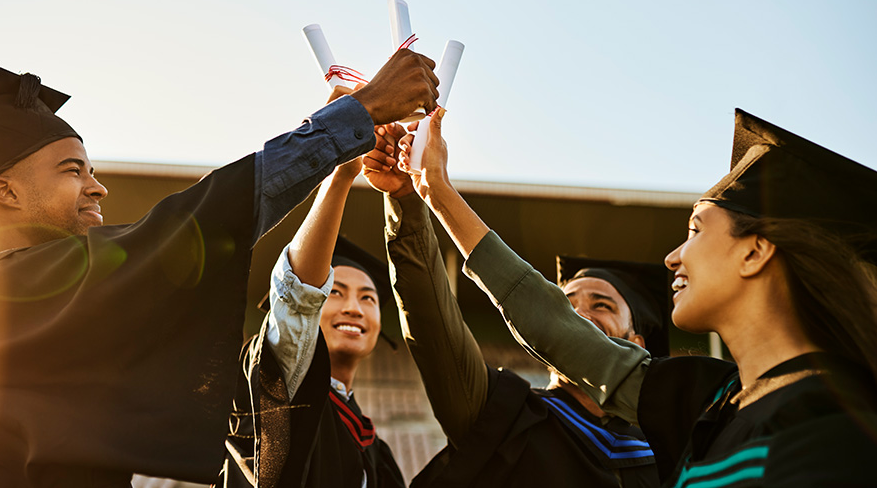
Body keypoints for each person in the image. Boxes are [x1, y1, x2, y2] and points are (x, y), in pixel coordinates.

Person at [0, 55, 437, 486]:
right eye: (73, 170)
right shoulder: (26, 287)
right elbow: (201, 217)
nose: (97, 187)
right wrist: (355, 115)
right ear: (3, 190)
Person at [386, 107, 877, 486]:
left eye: (695, 230)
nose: (673, 257)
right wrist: (435, 191)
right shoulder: (707, 398)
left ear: (755, 253)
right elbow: (551, 322)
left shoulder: (839, 424)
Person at [362, 115, 663, 487]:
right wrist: (406, 200)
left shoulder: (671, 450)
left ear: (636, 345)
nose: (579, 314)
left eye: (602, 305)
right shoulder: (504, 415)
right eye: (565, 303)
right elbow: (432, 323)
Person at [222, 128, 405, 487]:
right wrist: (340, 176)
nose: (354, 307)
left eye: (368, 297)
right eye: (335, 292)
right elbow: (297, 301)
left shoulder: (375, 450)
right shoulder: (278, 398)